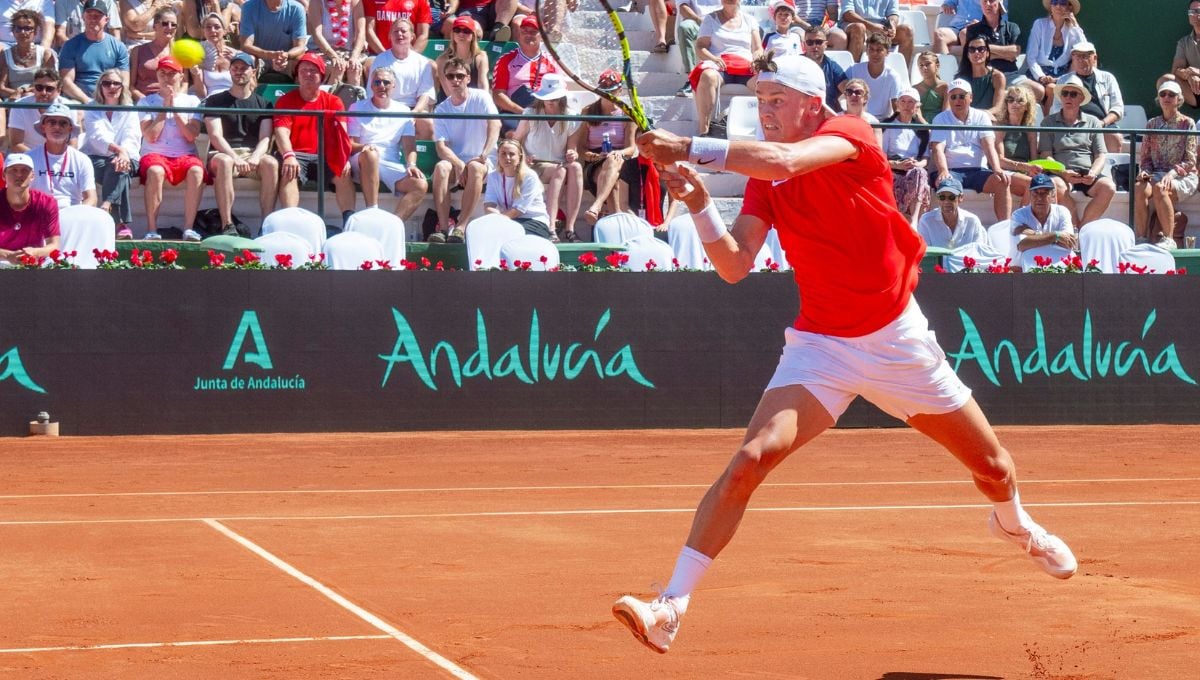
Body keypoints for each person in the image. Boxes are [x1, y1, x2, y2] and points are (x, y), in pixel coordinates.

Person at [615, 52, 1077, 655]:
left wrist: (686, 146)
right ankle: (671, 605)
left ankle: (1015, 526)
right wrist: (702, 204)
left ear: (813, 103)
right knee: (750, 461)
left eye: (777, 100)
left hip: (897, 341)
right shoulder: (764, 179)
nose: (765, 111)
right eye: (760, 100)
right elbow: (733, 265)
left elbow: (784, 160)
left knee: (994, 469)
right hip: (821, 347)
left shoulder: (851, 134)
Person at [273, 52, 359, 225]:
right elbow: (281, 132)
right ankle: (290, 222)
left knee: (343, 173)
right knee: (289, 171)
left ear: (322, 76)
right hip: (297, 154)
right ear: (297, 75)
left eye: (313, 71)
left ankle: (349, 222)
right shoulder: (285, 101)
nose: (308, 74)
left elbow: (341, 133)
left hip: (326, 155)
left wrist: (343, 157)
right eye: (303, 70)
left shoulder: (334, 101)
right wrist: (288, 155)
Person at [203, 53, 279, 235]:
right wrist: (235, 158)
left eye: (244, 68)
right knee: (225, 162)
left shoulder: (264, 104)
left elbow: (265, 137)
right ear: (230, 71)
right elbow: (215, 136)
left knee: (271, 163)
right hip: (223, 153)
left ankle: (266, 226)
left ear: (253, 71)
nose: (239, 72)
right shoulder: (214, 100)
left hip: (252, 154)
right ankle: (227, 225)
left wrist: (255, 157)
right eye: (235, 68)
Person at [429, 57, 499, 241]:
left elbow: (495, 125)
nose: (455, 80)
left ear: (468, 78)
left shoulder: (481, 97)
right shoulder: (441, 109)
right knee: (441, 167)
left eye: (460, 76)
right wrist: (459, 163)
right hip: (457, 161)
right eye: (450, 76)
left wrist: (483, 155)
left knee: (475, 167)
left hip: (483, 159)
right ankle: (443, 228)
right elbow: (441, 147)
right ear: (445, 79)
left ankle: (461, 227)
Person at [347, 65, 428, 221]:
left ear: (394, 86)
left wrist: (411, 164)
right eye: (377, 82)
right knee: (371, 154)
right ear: (371, 86)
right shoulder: (356, 107)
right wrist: (365, 147)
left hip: (390, 163)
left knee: (420, 185)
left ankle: (394, 225)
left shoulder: (404, 111)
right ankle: (372, 211)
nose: (381, 86)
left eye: (386, 82)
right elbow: (350, 144)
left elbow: (409, 145)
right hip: (362, 161)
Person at [138, 55, 205, 240]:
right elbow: (151, 136)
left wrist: (174, 109)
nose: (167, 78)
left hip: (184, 154)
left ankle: (188, 229)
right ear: (157, 76)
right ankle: (152, 230)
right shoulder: (145, 102)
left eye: (171, 73)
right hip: (155, 154)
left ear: (181, 76)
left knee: (197, 171)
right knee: (155, 171)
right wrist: (164, 108)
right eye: (162, 73)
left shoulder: (192, 101)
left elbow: (191, 135)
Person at [929, 78, 1011, 223]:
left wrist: (997, 169)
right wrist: (943, 171)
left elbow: (988, 146)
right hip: (952, 171)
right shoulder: (940, 118)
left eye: (962, 96)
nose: (957, 100)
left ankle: (1004, 228)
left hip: (978, 171)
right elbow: (937, 149)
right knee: (947, 185)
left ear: (971, 97)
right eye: (953, 97)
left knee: (1002, 181)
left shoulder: (982, 117)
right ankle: (950, 228)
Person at [1038, 74, 1114, 228]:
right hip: (1060, 173)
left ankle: (1082, 230)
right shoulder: (1047, 122)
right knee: (1056, 185)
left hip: (1087, 174)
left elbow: (1100, 155)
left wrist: (1093, 173)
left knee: (1109, 188)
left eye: (1073, 94)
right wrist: (1063, 172)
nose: (1068, 97)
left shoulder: (1093, 122)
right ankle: (1074, 230)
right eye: (1065, 93)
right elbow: (1046, 155)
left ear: (1081, 98)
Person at [514, 73, 583, 242]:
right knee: (560, 171)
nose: (550, 101)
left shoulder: (572, 117)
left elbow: (572, 148)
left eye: (554, 97)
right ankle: (551, 226)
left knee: (576, 167)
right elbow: (516, 142)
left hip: (558, 164)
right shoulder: (530, 113)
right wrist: (524, 156)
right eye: (547, 97)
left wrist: (572, 153)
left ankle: (570, 228)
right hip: (534, 164)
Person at [1134, 80, 1197, 249]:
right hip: (1157, 175)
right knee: (1140, 187)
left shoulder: (1188, 123)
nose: (1166, 97)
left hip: (1183, 176)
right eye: (1163, 94)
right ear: (1159, 98)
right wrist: (1144, 171)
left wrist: (1171, 174)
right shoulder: (1151, 124)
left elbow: (1190, 161)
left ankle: (1169, 239)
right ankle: (1141, 238)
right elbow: (1146, 159)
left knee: (1161, 188)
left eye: (1171, 94)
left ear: (1179, 99)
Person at [81, 67, 140, 237]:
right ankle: (120, 224)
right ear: (100, 86)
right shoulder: (91, 107)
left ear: (122, 87)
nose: (111, 87)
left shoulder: (130, 108)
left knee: (119, 166)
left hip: (126, 156)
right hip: (97, 157)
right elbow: (96, 136)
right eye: (107, 83)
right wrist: (119, 150)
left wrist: (123, 153)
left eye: (116, 83)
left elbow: (132, 135)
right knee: (120, 170)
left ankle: (106, 206)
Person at [578, 69, 639, 225]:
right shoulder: (588, 112)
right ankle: (617, 222)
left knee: (611, 168)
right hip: (595, 159)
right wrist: (593, 156)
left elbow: (631, 148)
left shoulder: (627, 114)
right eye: (604, 91)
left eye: (611, 91)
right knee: (612, 181)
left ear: (619, 90)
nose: (607, 95)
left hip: (620, 157)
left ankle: (598, 207)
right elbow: (581, 147)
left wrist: (618, 153)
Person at [694, 0, 761, 137]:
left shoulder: (750, 20)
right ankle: (704, 131)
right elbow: (700, 46)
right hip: (720, 66)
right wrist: (713, 58)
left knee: (765, 82)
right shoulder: (710, 19)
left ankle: (766, 128)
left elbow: (757, 48)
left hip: (746, 67)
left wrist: (756, 60)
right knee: (707, 76)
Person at [491, 15, 558, 137]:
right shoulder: (506, 60)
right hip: (515, 112)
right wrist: (523, 112)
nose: (528, 35)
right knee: (513, 133)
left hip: (544, 111)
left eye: (533, 32)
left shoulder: (551, 61)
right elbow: (498, 95)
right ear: (519, 35)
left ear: (542, 36)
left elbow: (559, 91)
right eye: (524, 31)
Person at [371, 18, 436, 138]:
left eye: (403, 31)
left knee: (427, 123)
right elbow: (372, 91)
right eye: (396, 31)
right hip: (386, 108)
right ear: (390, 36)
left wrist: (414, 113)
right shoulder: (380, 60)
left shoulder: (423, 62)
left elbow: (425, 94)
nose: (399, 34)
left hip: (413, 109)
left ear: (412, 36)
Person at [1054, 41, 1124, 153]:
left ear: (1094, 58)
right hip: (1072, 125)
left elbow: (1118, 108)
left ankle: (1109, 164)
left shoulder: (1108, 78)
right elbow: (1057, 108)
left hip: (1103, 125)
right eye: (1077, 56)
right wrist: (1073, 123)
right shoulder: (1063, 80)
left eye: (1085, 56)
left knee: (1114, 137)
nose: (1080, 60)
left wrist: (1102, 123)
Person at [58, 0, 130, 104]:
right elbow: (66, 81)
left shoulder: (118, 47)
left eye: (98, 16)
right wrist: (89, 102)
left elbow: (124, 81)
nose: (93, 19)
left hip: (110, 98)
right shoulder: (70, 46)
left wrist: (109, 100)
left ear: (106, 19)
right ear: (83, 18)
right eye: (89, 15)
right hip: (79, 101)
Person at [29, 102, 96, 209]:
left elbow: (91, 199)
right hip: (38, 212)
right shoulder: (29, 158)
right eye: (52, 122)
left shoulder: (82, 160)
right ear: (43, 127)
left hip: (71, 213)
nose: (57, 127)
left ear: (70, 129)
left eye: (63, 123)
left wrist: (77, 214)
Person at [483, 138, 552, 238]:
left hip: (534, 221)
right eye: (503, 154)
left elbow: (517, 211)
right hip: (508, 220)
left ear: (520, 157)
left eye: (511, 154)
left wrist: (499, 220)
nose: (507, 157)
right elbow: (489, 204)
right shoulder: (493, 176)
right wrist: (495, 216)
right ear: (498, 155)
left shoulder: (529, 176)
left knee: (508, 235)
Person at [1025, 0, 1086, 112]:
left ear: (1069, 8)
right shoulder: (1040, 24)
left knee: (1054, 88)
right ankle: (1047, 121)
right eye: (1054, 2)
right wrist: (1041, 77)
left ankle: (1049, 121)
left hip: (1063, 76)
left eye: (1062, 3)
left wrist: (1075, 25)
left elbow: (1084, 51)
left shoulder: (1072, 30)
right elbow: (1031, 57)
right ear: (1051, 6)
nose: (1058, 6)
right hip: (1038, 74)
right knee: (1051, 88)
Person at [0, 153, 60, 266]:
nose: (19, 174)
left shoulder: (47, 203)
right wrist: (7, 256)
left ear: (32, 176)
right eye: (13, 170)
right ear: (3, 175)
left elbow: (54, 245)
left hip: (33, 265)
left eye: (25, 170)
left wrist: (35, 252)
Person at [882, 87, 929, 227]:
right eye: (903, 101)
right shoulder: (887, 125)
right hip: (893, 169)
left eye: (910, 102)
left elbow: (925, 159)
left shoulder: (922, 130)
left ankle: (914, 221)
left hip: (913, 169)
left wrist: (916, 165)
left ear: (917, 106)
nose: (906, 105)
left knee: (920, 172)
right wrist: (897, 165)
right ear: (897, 104)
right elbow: (880, 157)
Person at [238, 0, 308, 83]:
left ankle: (299, 90)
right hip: (259, 59)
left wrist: (286, 56)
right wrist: (268, 55)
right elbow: (245, 45)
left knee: (302, 62)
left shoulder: (297, 9)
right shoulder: (249, 7)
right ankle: (249, 90)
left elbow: (300, 46)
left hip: (287, 60)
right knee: (248, 60)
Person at [991, 84, 1038, 206]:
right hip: (1003, 172)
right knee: (1033, 184)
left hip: (1023, 173)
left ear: (1027, 106)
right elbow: (999, 161)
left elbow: (1034, 160)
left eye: (1020, 100)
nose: (1014, 103)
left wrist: (1033, 171)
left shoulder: (1030, 130)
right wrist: (1025, 167)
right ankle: (1021, 217)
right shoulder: (1000, 127)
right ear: (1006, 103)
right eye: (1010, 100)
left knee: (1045, 186)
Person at [7, 68, 72, 152]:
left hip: (59, 156)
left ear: (59, 91)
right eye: (39, 87)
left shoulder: (69, 107)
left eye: (49, 89)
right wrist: (40, 158)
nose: (43, 92)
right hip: (27, 155)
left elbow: (72, 144)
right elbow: (16, 144)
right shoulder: (20, 106)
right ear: (33, 88)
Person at [844, 31, 904, 120]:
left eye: (879, 50)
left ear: (887, 52)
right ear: (867, 51)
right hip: (857, 118)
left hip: (882, 121)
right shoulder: (853, 70)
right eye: (871, 49)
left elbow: (897, 107)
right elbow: (840, 94)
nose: (874, 53)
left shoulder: (893, 76)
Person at [0, 9, 58, 101]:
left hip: (40, 99)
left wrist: (24, 92)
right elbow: (2, 88)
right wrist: (18, 94)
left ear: (35, 32)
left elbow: (50, 84)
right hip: (12, 99)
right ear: (13, 31)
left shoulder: (45, 54)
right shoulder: (5, 55)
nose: (23, 32)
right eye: (18, 28)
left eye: (27, 28)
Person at [1011, 172, 1076, 253]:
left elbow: (1068, 243)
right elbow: (1022, 245)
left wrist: (1034, 236)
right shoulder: (1019, 215)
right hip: (1028, 260)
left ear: (1052, 195)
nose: (1039, 198)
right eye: (1035, 193)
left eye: (1044, 193)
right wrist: (1056, 236)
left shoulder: (1062, 212)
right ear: (1030, 194)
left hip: (1057, 259)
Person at [308, 0, 367, 89]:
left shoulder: (355, 2)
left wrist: (354, 57)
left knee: (356, 68)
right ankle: (329, 95)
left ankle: (355, 95)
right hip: (323, 51)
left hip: (349, 52)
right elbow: (317, 34)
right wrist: (333, 56)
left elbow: (361, 33)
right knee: (336, 67)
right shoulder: (316, 2)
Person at [917, 176, 988, 249]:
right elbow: (925, 252)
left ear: (961, 198)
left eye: (951, 197)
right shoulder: (926, 221)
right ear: (938, 198)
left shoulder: (972, 221)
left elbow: (978, 250)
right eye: (942, 197)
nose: (946, 201)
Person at [963, 0, 1022, 85]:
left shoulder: (1012, 27)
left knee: (1037, 89)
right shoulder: (973, 30)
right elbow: (975, 56)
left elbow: (1015, 52)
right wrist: (1006, 55)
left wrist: (984, 47)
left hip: (1010, 75)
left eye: (991, 0)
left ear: (999, 3)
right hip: (983, 77)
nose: (987, 4)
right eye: (984, 1)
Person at [840, 0, 913, 68]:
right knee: (859, 28)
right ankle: (852, 72)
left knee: (906, 31)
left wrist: (892, 25)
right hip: (856, 25)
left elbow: (893, 14)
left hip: (881, 28)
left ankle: (902, 73)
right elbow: (847, 14)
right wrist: (871, 26)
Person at [128, 6, 179, 101]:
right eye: (165, 23)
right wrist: (146, 102)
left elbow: (184, 83)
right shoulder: (138, 51)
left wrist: (175, 99)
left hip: (171, 101)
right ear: (155, 26)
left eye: (173, 25)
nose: (170, 27)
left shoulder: (180, 52)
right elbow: (131, 86)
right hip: (144, 102)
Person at [433, 15, 489, 102]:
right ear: (453, 34)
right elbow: (449, 92)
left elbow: (483, 87)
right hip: (450, 104)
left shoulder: (481, 57)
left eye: (466, 31)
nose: (461, 34)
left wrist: (480, 103)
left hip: (475, 102)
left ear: (473, 35)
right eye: (457, 30)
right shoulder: (442, 60)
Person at [674, 0, 723, 97]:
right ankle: (692, 79)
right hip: (697, 21)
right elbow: (683, 8)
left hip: (721, 22)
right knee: (685, 27)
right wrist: (702, 22)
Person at [957, 35, 1005, 117]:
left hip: (989, 119)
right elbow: (958, 107)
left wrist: (980, 115)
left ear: (987, 53)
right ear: (967, 54)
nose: (976, 52)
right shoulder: (960, 79)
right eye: (972, 49)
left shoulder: (997, 77)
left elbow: (997, 108)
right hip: (966, 119)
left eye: (981, 49)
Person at [803, 25, 847, 113]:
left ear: (826, 44)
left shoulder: (833, 68)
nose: (814, 46)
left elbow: (848, 91)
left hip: (828, 115)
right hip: (803, 114)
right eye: (810, 42)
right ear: (804, 45)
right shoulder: (796, 64)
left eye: (818, 42)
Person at [193, 11, 236, 99]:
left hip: (233, 99)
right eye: (208, 27)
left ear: (224, 31)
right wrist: (197, 75)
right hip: (210, 100)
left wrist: (236, 62)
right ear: (203, 31)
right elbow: (201, 94)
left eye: (217, 27)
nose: (212, 30)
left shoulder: (235, 55)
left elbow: (246, 86)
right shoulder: (198, 56)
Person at [367, 0, 432, 54]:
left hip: (408, 55)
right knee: (369, 63)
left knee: (432, 64)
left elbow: (423, 34)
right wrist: (385, 56)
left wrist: (411, 58)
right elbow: (369, 30)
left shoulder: (420, 1)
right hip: (377, 54)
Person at [55, 0, 123, 47]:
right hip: (72, 51)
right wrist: (75, 50)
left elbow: (115, 35)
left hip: (102, 49)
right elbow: (60, 34)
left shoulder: (108, 2)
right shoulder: (62, 2)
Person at [1172, 0, 1200, 109]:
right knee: (1165, 79)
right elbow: (1176, 70)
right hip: (1195, 91)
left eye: (1198, 11)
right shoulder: (1183, 42)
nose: (1195, 15)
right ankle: (1173, 118)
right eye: (1192, 12)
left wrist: (1197, 72)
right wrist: (1189, 75)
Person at [839, 78, 881, 147]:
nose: (853, 95)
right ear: (845, 96)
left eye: (858, 92)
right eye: (849, 92)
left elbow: (878, 149)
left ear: (865, 98)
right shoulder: (837, 118)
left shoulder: (874, 122)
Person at [913, 50, 948, 124]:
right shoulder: (914, 89)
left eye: (927, 64)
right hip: (920, 127)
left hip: (941, 126)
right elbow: (917, 115)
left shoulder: (946, 87)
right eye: (921, 65)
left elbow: (946, 113)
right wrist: (927, 128)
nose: (924, 68)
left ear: (937, 66)